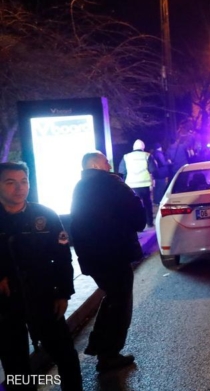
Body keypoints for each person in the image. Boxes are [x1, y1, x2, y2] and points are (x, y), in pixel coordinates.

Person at [0, 162, 83, 391]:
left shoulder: (44, 215)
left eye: (23, 181)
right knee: (14, 363)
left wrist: (64, 293)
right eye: (10, 182)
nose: (19, 188)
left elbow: (63, 257)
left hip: (43, 295)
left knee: (65, 355)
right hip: (6, 303)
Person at [70, 152, 146, 373]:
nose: (109, 165)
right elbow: (139, 218)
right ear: (95, 164)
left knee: (112, 297)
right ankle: (109, 354)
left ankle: (99, 345)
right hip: (115, 254)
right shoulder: (112, 184)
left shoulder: (80, 186)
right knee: (120, 304)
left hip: (94, 256)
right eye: (105, 162)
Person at [118, 139, 157, 228]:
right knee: (147, 204)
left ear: (133, 147)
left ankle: (136, 225)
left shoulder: (126, 156)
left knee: (134, 205)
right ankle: (149, 222)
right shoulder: (147, 155)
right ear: (143, 147)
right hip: (145, 185)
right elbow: (153, 169)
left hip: (131, 185)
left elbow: (122, 170)